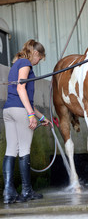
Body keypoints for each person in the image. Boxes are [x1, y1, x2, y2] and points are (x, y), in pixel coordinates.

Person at [2, 39, 51, 204]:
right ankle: (26, 191)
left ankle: (8, 192)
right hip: (20, 111)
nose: (38, 62)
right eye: (40, 58)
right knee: (24, 149)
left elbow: (25, 99)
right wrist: (30, 115)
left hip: (9, 110)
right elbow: (20, 89)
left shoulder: (16, 64)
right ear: (36, 53)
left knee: (10, 150)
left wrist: (41, 117)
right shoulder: (25, 63)